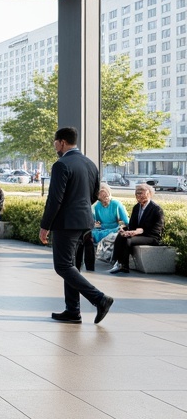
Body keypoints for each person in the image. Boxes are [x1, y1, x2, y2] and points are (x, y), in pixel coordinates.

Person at [40, 126, 113, 324]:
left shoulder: (61, 165)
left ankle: (99, 299)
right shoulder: (90, 164)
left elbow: (54, 199)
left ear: (62, 142)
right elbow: (93, 194)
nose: (55, 146)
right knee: (71, 266)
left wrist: (45, 226)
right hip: (84, 222)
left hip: (66, 223)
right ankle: (73, 310)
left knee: (63, 266)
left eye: (55, 142)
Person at [109, 183, 164, 275]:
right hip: (138, 235)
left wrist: (139, 231)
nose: (139, 195)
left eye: (142, 193)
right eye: (137, 193)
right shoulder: (136, 207)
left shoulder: (156, 209)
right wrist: (125, 230)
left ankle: (124, 265)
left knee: (128, 240)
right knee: (121, 235)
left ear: (149, 193)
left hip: (150, 236)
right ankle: (117, 262)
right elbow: (132, 225)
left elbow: (157, 229)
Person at [79, 183, 128, 270]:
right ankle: (87, 261)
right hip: (102, 228)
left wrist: (121, 226)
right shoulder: (97, 206)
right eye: (101, 197)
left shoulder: (116, 204)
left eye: (105, 196)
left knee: (111, 233)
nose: (104, 200)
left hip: (115, 228)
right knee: (88, 233)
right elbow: (95, 221)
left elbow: (124, 221)